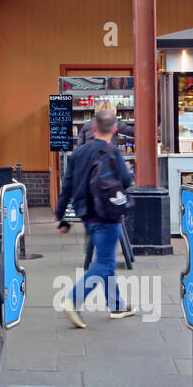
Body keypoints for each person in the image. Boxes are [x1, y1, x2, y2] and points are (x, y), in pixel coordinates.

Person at [54, 109, 136, 328]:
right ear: (115, 129)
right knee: (105, 261)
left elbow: (67, 185)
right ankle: (73, 299)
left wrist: (61, 217)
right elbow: (126, 181)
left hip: (87, 214)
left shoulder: (79, 153)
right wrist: (126, 169)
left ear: (94, 128)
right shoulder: (112, 151)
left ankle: (117, 304)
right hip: (107, 214)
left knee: (104, 258)